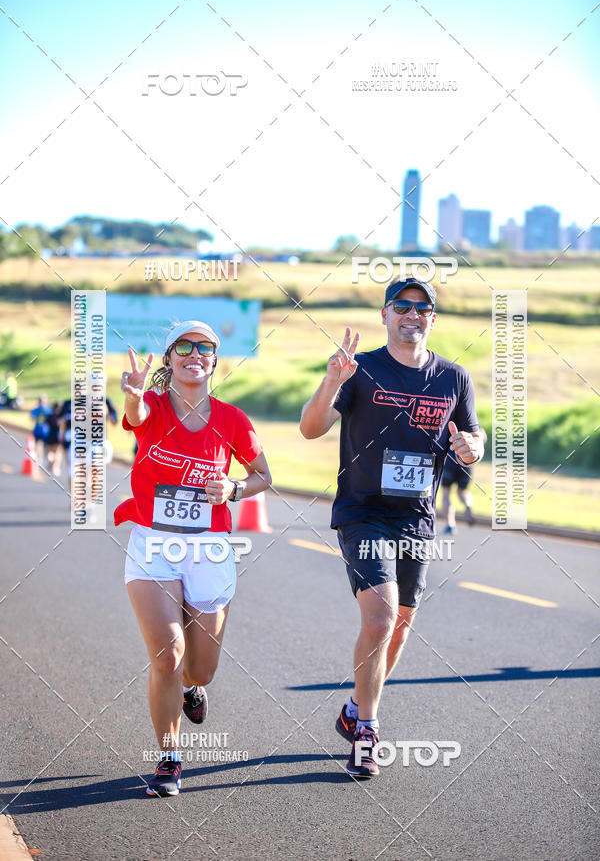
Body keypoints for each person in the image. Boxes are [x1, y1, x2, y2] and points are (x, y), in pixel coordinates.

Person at [300, 278, 484, 778]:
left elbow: (472, 432)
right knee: (380, 619)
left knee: (400, 627)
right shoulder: (363, 371)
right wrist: (332, 381)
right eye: (402, 306)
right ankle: (368, 731)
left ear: (432, 319)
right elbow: (311, 428)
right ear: (385, 315)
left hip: (416, 518)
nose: (412, 314)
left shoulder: (453, 377)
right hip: (363, 512)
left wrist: (473, 446)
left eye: (422, 308)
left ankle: (354, 709)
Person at [114, 320, 271, 798]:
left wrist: (234, 488)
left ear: (214, 361)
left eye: (205, 347)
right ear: (170, 359)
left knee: (199, 669)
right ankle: (168, 758)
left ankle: (191, 689)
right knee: (168, 655)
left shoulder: (233, 420)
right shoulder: (155, 407)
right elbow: (136, 415)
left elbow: (263, 475)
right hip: (154, 545)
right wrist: (133, 394)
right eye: (184, 346)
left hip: (208, 549)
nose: (194, 353)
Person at [441, 429, 487, 533]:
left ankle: (450, 524)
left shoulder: (449, 418)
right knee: (462, 492)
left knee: (446, 492)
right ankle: (468, 506)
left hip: (450, 461)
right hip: (467, 463)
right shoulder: (472, 423)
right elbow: (482, 438)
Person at [30, 394, 53, 466]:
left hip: (38, 429)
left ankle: (39, 460)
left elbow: (32, 417)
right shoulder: (49, 409)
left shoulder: (37, 409)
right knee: (46, 446)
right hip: (46, 430)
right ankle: (49, 459)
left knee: (38, 444)